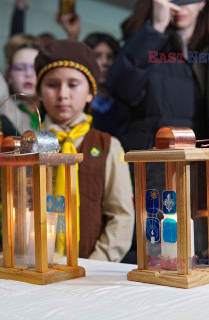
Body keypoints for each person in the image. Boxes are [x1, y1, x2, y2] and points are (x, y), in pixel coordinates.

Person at [35, 39, 134, 262]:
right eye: (52, 85)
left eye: (73, 84)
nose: (62, 94)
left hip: (92, 269)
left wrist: (97, 263)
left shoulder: (108, 146)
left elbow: (121, 214)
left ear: (91, 93)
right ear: (39, 93)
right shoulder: (28, 145)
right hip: (37, 265)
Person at [107, 0, 209, 186]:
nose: (179, 7)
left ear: (202, 3)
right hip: (151, 166)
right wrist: (157, 27)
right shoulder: (143, 39)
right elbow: (121, 89)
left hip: (200, 168)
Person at [83, 33, 129, 142]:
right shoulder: (77, 103)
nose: (105, 63)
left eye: (110, 57)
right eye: (97, 56)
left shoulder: (125, 103)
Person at [2, 33, 40, 135]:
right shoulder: (1, 112)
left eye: (35, 68)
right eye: (20, 68)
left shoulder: (53, 112)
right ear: (9, 75)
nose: (28, 74)